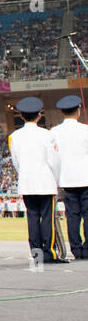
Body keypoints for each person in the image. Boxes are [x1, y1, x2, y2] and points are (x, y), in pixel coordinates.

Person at [8, 96, 67, 264]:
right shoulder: (47, 135)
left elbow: (16, 162)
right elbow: (54, 161)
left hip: (27, 182)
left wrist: (25, 174)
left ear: (20, 115)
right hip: (45, 181)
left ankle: (37, 255)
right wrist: (54, 179)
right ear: (40, 115)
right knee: (47, 218)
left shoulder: (15, 136)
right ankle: (49, 253)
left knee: (32, 218)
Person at [50, 95, 88, 260]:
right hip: (85, 178)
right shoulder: (85, 129)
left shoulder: (54, 132)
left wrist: (57, 179)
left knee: (72, 216)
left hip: (66, 179)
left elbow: (53, 157)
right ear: (78, 111)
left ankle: (76, 249)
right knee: (87, 215)